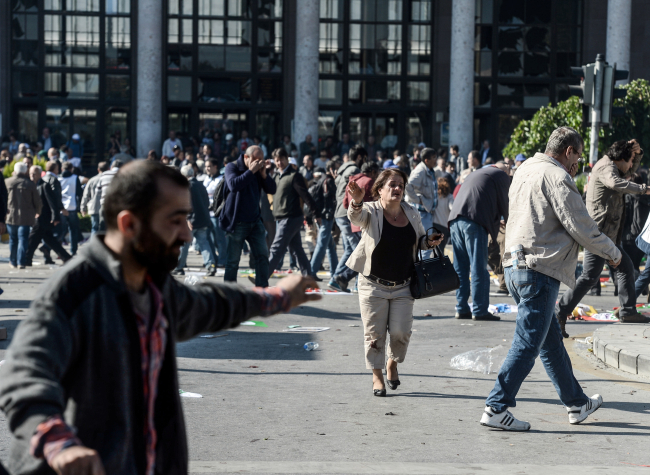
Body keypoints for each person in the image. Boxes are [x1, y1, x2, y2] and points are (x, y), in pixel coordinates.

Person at [0, 160, 320, 475]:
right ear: (129, 225)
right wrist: (59, 444)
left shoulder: (152, 285)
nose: (187, 235)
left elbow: (211, 305)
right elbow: (24, 376)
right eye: (175, 220)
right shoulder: (74, 290)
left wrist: (278, 297)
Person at [480, 126, 619, 431]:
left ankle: (577, 403)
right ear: (568, 150)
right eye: (578, 157)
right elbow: (579, 223)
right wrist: (613, 252)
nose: (577, 165)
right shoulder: (557, 176)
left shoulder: (525, 169)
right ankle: (496, 406)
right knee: (529, 342)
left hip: (516, 265)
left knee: (549, 341)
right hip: (538, 269)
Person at [346, 169, 443, 397]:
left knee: (400, 332)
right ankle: (377, 375)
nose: (397, 189)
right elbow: (355, 218)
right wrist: (357, 202)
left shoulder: (411, 212)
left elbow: (420, 242)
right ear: (380, 189)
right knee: (374, 335)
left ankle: (392, 363)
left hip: (403, 285)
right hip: (373, 285)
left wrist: (429, 241)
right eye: (392, 184)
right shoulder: (370, 210)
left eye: (401, 184)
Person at [555, 139, 650, 330]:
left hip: (607, 234)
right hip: (599, 233)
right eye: (630, 160)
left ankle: (627, 311)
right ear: (621, 158)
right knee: (592, 276)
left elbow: (628, 173)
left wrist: (637, 154)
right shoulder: (606, 168)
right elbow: (616, 183)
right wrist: (643, 189)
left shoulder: (614, 166)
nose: (632, 166)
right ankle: (562, 310)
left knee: (622, 269)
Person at [449, 164, 510, 321]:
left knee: (460, 268)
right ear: (504, 171)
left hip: (455, 220)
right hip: (474, 222)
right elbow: (507, 205)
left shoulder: (478, 173)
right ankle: (479, 310)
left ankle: (461, 308)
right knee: (478, 268)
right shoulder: (501, 175)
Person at [221, 145, 276, 287]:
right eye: (255, 159)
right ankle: (230, 294)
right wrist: (251, 171)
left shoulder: (258, 171)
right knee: (232, 262)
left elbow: (272, 189)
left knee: (263, 256)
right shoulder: (232, 167)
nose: (258, 163)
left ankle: (262, 291)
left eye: (261, 160)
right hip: (237, 222)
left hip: (255, 221)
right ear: (246, 157)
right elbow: (234, 185)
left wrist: (264, 175)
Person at [267, 147, 321, 279]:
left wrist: (316, 213)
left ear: (287, 159)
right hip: (282, 217)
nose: (279, 163)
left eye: (282, 160)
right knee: (297, 250)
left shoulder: (294, 176)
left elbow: (305, 195)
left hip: (291, 217)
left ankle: (262, 276)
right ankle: (308, 277)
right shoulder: (276, 176)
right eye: (277, 161)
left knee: (276, 248)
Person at [329, 146, 368, 291]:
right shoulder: (354, 171)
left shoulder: (342, 169)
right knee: (358, 251)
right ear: (359, 157)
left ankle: (337, 279)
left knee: (350, 250)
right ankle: (338, 280)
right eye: (364, 158)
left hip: (341, 213)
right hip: (347, 213)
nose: (365, 162)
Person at [173, 165, 218, 276]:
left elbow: (187, 204)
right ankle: (211, 265)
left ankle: (179, 267)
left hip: (192, 220)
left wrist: (188, 218)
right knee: (204, 244)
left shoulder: (187, 186)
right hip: (203, 219)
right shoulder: (201, 185)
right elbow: (207, 203)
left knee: (184, 245)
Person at [25, 161, 72, 266]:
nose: (32, 176)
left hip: (43, 218)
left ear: (39, 174)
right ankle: (67, 258)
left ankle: (26, 259)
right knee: (51, 240)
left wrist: (55, 217)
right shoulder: (32, 185)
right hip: (39, 218)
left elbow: (52, 202)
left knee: (32, 239)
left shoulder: (44, 185)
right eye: (30, 174)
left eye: (34, 174)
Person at [5, 162, 41, 269]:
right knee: (23, 239)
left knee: (13, 239)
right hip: (26, 216)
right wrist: (38, 211)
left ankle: (13, 261)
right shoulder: (29, 184)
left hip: (10, 215)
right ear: (25, 171)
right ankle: (21, 262)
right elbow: (37, 201)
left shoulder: (7, 182)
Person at [404, 147, 438, 259]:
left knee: (424, 245)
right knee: (427, 245)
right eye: (434, 157)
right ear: (426, 160)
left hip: (426, 212)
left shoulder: (429, 170)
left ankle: (419, 273)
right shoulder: (420, 170)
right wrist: (417, 199)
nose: (436, 160)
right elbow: (408, 186)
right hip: (422, 213)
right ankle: (423, 273)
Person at [310, 163, 339, 277]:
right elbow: (330, 199)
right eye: (337, 169)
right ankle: (311, 272)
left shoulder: (321, 179)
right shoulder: (329, 181)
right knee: (322, 245)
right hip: (326, 217)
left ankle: (335, 272)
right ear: (331, 169)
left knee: (330, 245)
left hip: (321, 216)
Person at [203, 158, 228, 267]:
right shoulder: (206, 179)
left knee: (220, 238)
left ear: (215, 167)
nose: (207, 169)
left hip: (217, 214)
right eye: (206, 166)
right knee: (208, 239)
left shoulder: (221, 179)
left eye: (209, 166)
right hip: (206, 215)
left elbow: (222, 198)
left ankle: (223, 260)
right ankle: (214, 259)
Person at [57, 162, 83, 255]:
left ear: (62, 169)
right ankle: (73, 250)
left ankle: (56, 249)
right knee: (73, 230)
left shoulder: (58, 178)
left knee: (61, 231)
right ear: (71, 169)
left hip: (61, 207)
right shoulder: (75, 178)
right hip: (72, 206)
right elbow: (79, 192)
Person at [81, 162, 109, 237]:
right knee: (106, 229)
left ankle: (94, 246)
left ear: (98, 169)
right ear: (108, 169)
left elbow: (85, 195)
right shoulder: (109, 179)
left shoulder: (92, 180)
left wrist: (83, 208)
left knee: (94, 228)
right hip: (105, 207)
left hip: (94, 207)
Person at [432, 176, 454, 253]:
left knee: (435, 250)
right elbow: (452, 208)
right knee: (441, 250)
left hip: (435, 225)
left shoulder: (435, 196)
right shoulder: (450, 197)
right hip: (445, 227)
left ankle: (437, 264)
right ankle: (441, 264)